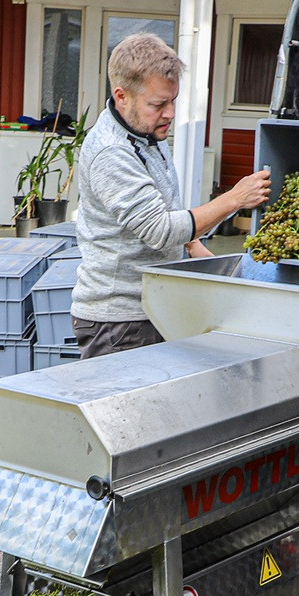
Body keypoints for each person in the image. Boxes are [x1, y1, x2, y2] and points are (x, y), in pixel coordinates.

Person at [71, 33, 271, 358]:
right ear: (122, 96)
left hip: (156, 305)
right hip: (119, 322)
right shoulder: (111, 151)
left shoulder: (147, 132)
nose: (170, 113)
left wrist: (193, 246)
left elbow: (166, 205)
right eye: (158, 104)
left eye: (173, 100)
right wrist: (234, 198)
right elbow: (159, 230)